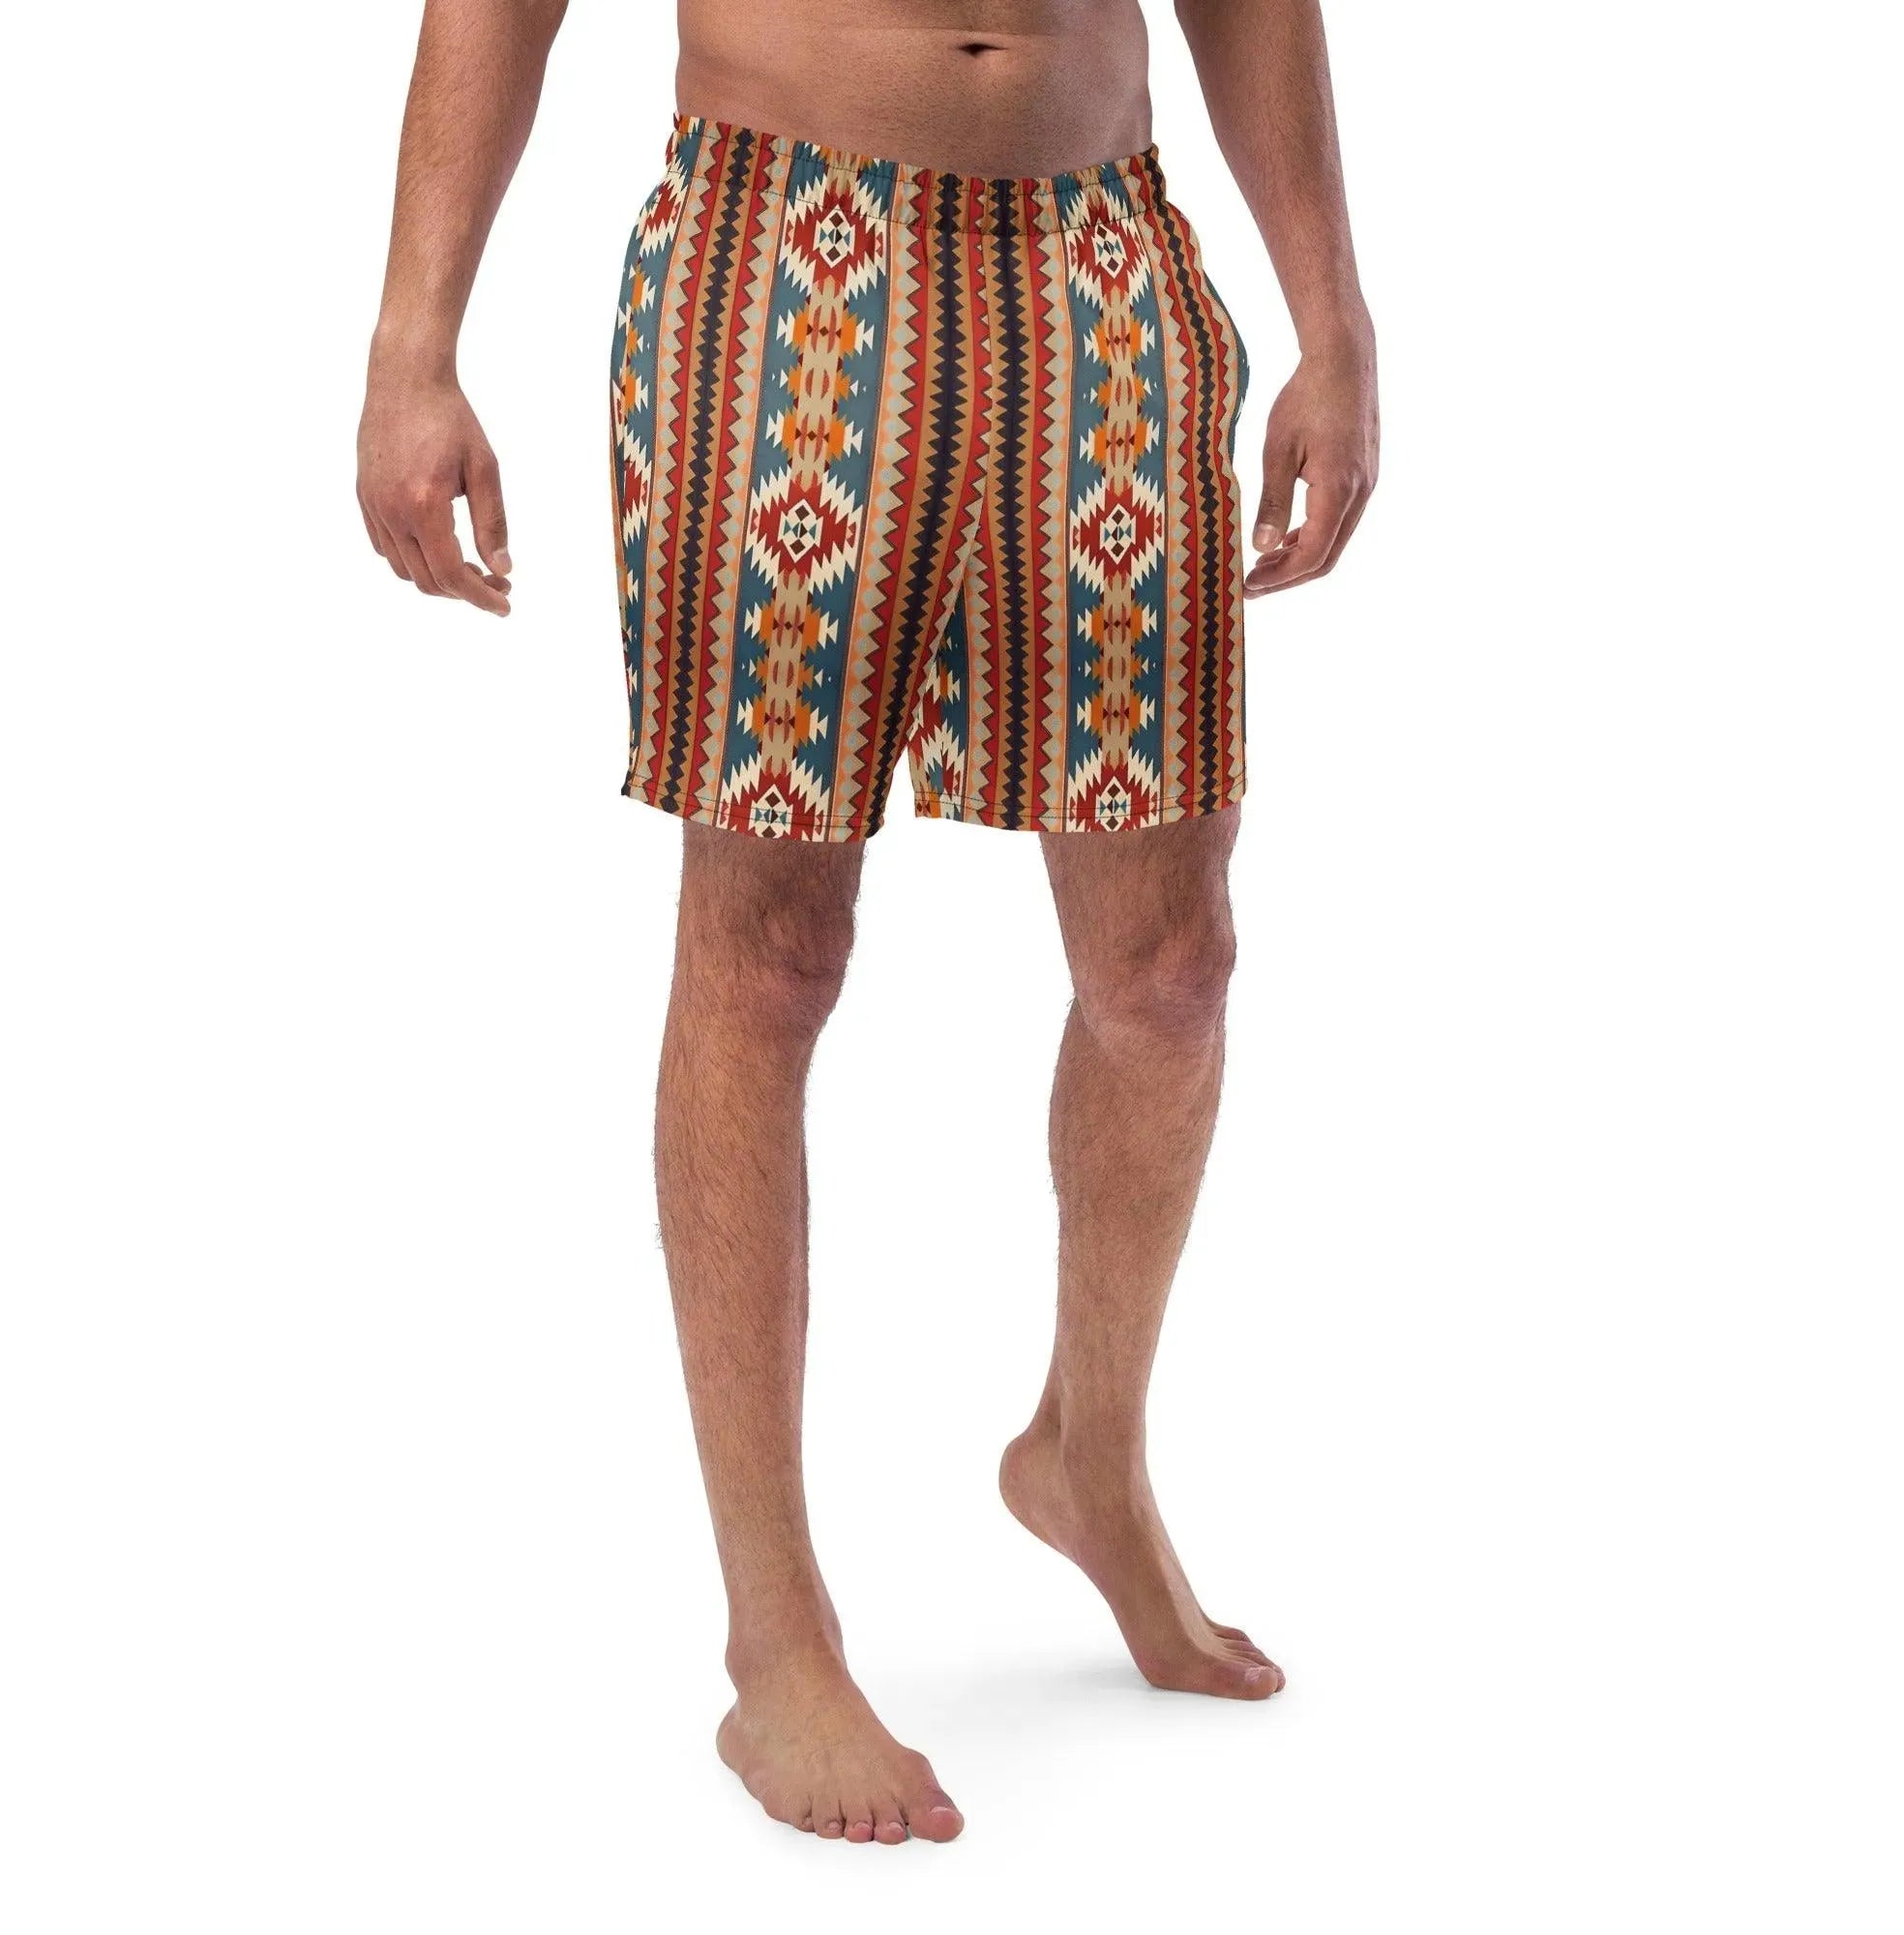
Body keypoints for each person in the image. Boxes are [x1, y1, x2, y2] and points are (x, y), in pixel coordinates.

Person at [356, 0, 1377, 1846]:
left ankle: (1087, 1455)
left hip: (1100, 252)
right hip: (780, 252)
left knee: (1167, 969)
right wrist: (413, 342)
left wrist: (1335, 317)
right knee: (768, 956)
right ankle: (777, 1645)